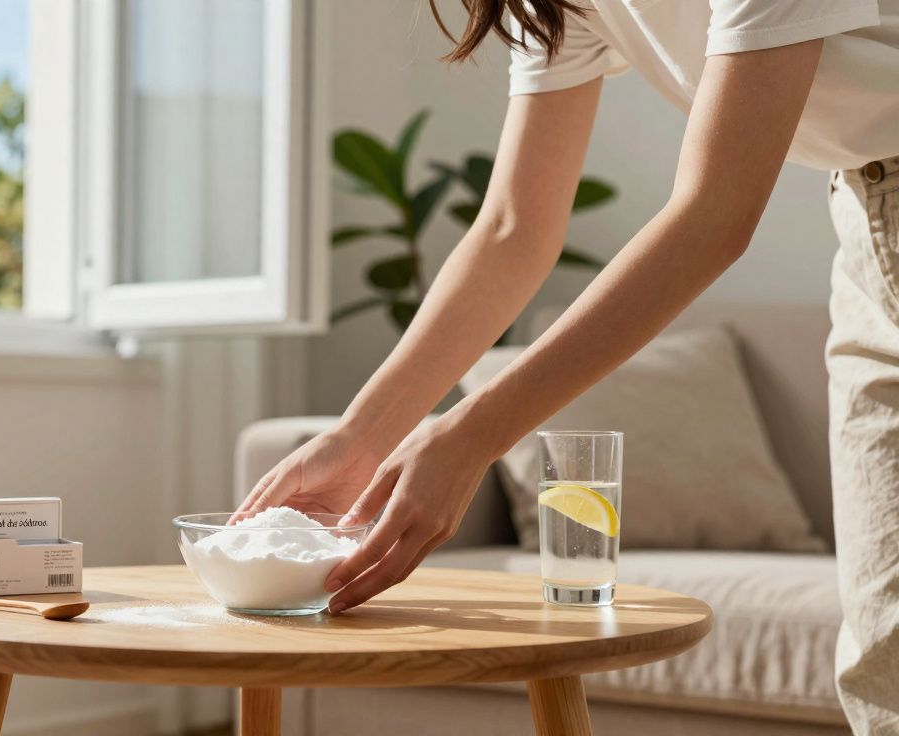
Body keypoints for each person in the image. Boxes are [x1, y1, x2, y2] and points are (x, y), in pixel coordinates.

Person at [235, 0, 899, 730]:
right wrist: (358, 438)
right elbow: (514, 227)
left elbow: (715, 213)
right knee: (884, 664)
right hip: (865, 216)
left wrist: (469, 436)